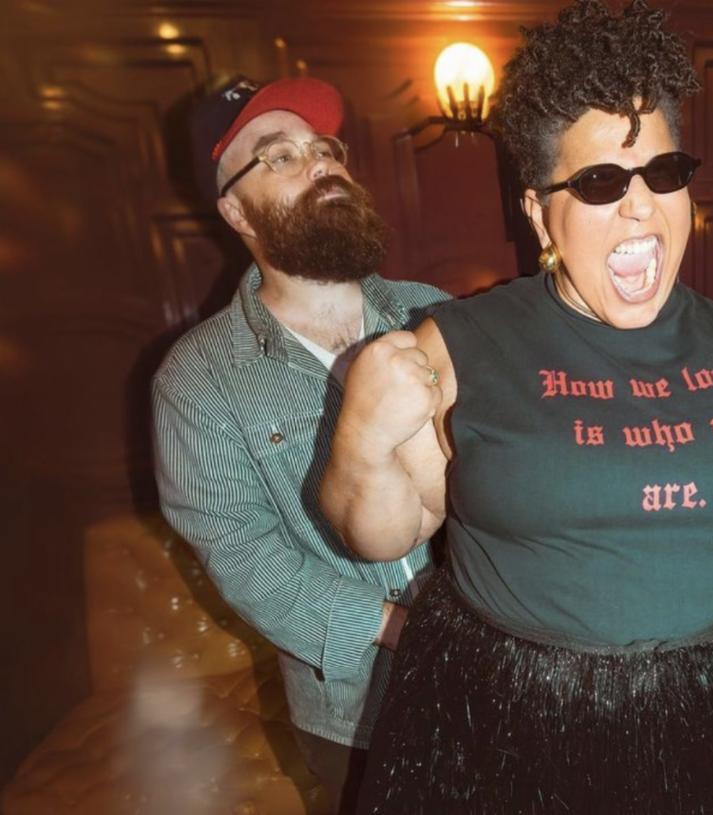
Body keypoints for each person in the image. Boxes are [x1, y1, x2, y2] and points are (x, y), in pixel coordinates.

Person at [321, 3, 713, 812]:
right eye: (600, 183)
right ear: (539, 214)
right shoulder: (464, 342)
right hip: (518, 731)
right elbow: (382, 531)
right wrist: (363, 436)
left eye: (664, 174)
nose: (640, 208)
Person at [151, 75, 450, 812]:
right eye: (278, 156)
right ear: (234, 208)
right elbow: (245, 557)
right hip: (355, 713)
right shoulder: (197, 379)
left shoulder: (434, 314)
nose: (319, 163)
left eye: (325, 148)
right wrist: (403, 631)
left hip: (501, 672)